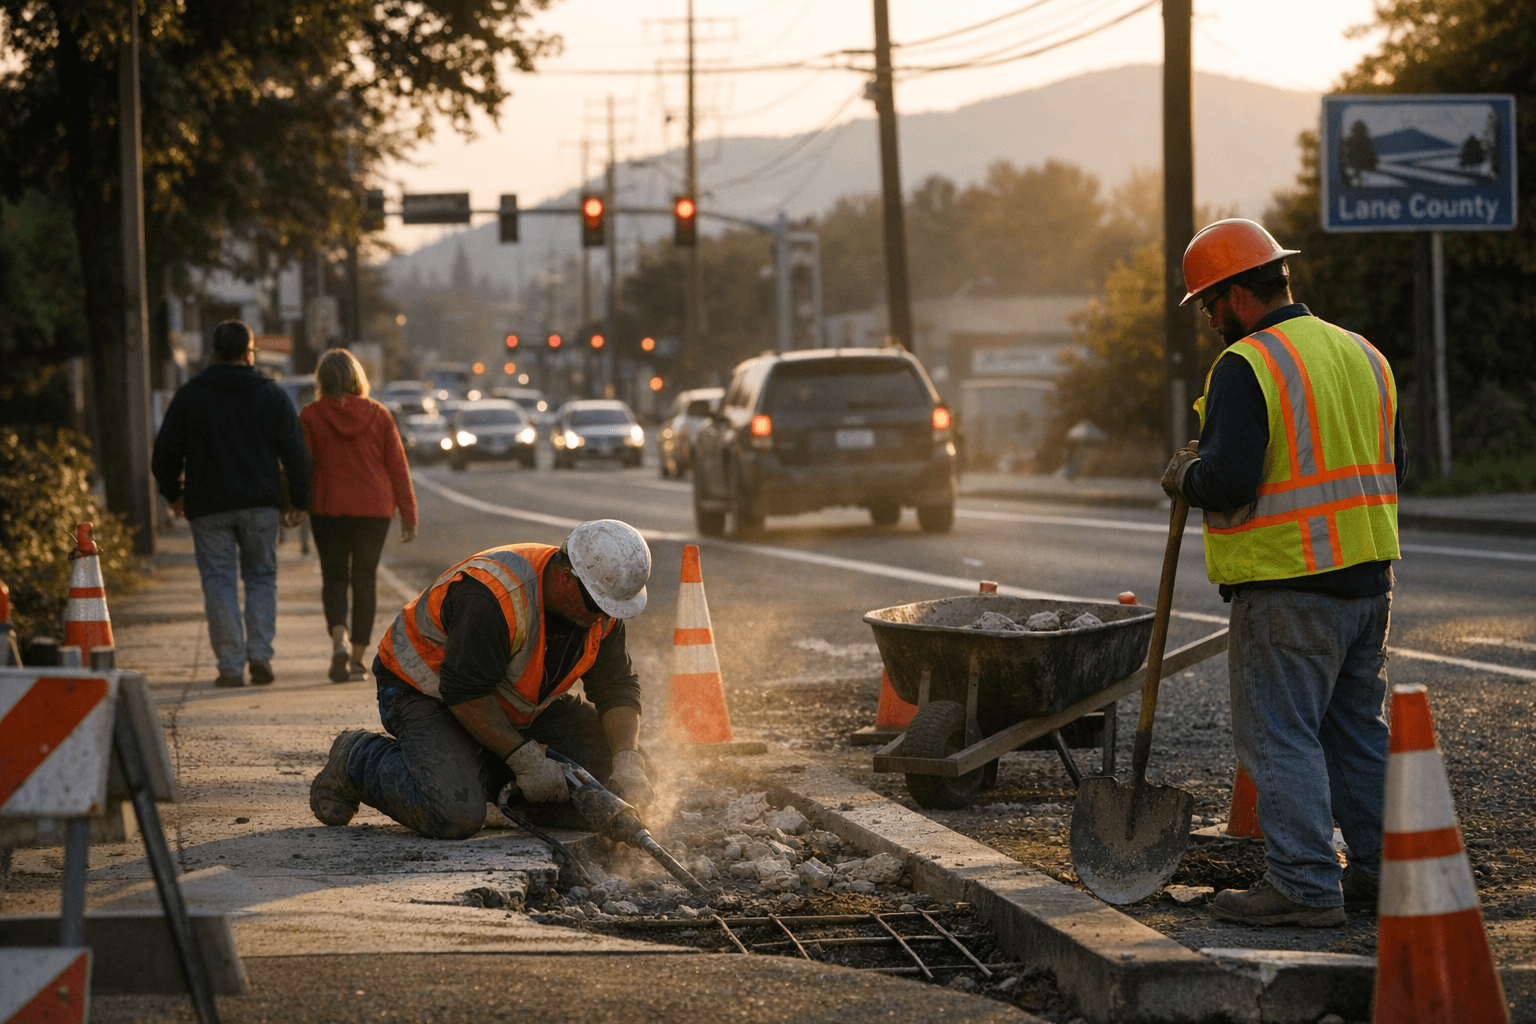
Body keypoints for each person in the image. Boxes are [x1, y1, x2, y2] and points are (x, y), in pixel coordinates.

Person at [1161, 219, 1408, 927]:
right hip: (1368, 581)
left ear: (1239, 295)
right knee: (1355, 731)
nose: (1211, 322)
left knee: (1279, 736)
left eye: (1210, 306)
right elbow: (1395, 466)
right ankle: (1385, 873)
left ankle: (1302, 884)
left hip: (1288, 583)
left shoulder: (1247, 364)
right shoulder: (1363, 353)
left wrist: (1185, 477)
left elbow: (1230, 480)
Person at [308, 519, 656, 839]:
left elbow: (616, 686)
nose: (603, 618)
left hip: (511, 703)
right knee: (454, 814)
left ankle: (489, 778)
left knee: (626, 789)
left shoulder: (600, 605)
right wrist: (525, 760)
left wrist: (627, 759)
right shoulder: (494, 596)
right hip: (426, 692)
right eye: (599, 607)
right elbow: (465, 692)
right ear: (567, 577)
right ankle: (358, 757)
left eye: (612, 609)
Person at [152, 320, 311, 687]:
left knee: (218, 580)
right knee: (261, 576)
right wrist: (300, 501)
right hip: (260, 504)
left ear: (214, 352)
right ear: (248, 353)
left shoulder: (191, 395)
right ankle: (260, 655)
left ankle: (230, 665)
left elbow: (164, 455)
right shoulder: (270, 394)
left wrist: (174, 494)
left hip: (208, 505)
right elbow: (296, 453)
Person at [299, 349, 419, 683]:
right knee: (365, 579)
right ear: (357, 378)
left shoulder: (310, 416)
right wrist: (408, 514)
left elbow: (303, 466)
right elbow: (397, 467)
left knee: (334, 577)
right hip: (373, 509)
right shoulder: (379, 415)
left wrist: (294, 505)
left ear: (323, 379)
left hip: (327, 506)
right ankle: (357, 659)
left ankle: (339, 641)